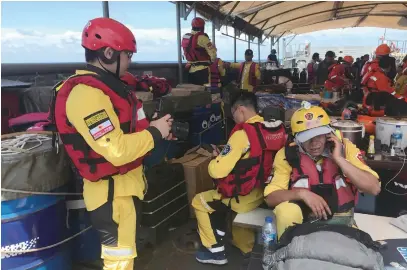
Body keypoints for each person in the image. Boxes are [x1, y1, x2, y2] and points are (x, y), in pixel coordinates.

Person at [50, 18, 173, 270]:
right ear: (108, 53)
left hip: (125, 190)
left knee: (124, 257)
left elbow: (131, 130)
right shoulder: (87, 95)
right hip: (111, 196)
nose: (130, 61)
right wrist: (154, 134)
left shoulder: (112, 89)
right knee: (119, 261)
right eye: (127, 55)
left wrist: (156, 131)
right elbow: (116, 151)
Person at [192, 92, 286, 265]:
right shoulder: (273, 129)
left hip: (242, 198)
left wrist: (215, 159)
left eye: (233, 113)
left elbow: (217, 172)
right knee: (236, 218)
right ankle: (246, 247)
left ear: (241, 110)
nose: (233, 117)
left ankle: (214, 250)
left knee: (199, 201)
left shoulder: (242, 135)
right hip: (264, 193)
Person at [264, 103, 380, 240]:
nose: (314, 143)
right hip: (303, 225)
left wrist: (339, 159)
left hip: (342, 223)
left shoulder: (345, 148)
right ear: (296, 139)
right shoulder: (287, 155)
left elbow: (374, 188)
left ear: (328, 134)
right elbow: (270, 198)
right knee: (285, 211)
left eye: (319, 136)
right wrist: (302, 194)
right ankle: (288, 252)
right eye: (307, 138)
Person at [182, 17, 217, 85]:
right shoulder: (203, 38)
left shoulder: (185, 37)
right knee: (204, 91)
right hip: (202, 70)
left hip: (190, 70)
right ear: (202, 26)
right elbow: (213, 54)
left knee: (194, 92)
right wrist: (212, 61)